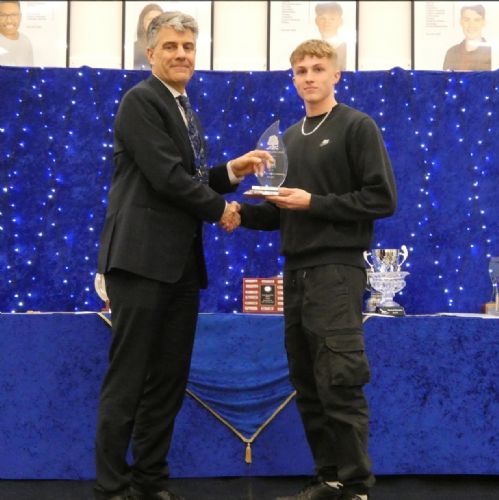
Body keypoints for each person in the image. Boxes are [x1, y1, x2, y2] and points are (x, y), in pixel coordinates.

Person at [95, 11, 271, 500]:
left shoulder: (182, 105)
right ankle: (111, 489)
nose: (181, 54)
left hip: (179, 267)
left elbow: (186, 178)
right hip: (139, 263)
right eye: (171, 46)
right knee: (129, 380)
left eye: (188, 47)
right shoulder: (141, 100)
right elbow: (166, 178)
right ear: (150, 52)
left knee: (168, 383)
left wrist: (231, 172)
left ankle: (150, 481)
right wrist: (221, 210)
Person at [230, 39, 397, 500]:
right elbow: (283, 211)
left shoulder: (357, 126)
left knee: (339, 380)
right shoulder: (287, 139)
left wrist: (314, 202)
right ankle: (329, 479)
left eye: (318, 68)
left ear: (335, 75)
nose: (309, 77)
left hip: (337, 271)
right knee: (307, 382)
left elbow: (381, 198)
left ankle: (356, 487)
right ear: (293, 79)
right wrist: (239, 213)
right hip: (297, 272)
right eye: (301, 70)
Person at [443, 4, 491, 71]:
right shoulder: (451, 53)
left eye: (477, 20)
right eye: (467, 20)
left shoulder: (492, 53)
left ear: (484, 22)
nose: (471, 25)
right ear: (461, 22)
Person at [0, 0, 33, 67]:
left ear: (20, 17)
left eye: (14, 15)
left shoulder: (25, 41)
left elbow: (31, 70)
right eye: (3, 15)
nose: (9, 21)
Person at [314, 2, 346, 70]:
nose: (327, 23)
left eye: (332, 19)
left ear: (340, 22)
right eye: (322, 18)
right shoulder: (312, 47)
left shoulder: (343, 47)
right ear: (316, 21)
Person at [134, 3, 163, 70]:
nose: (155, 23)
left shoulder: (169, 48)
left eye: (158, 19)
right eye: (150, 19)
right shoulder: (133, 49)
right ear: (142, 22)